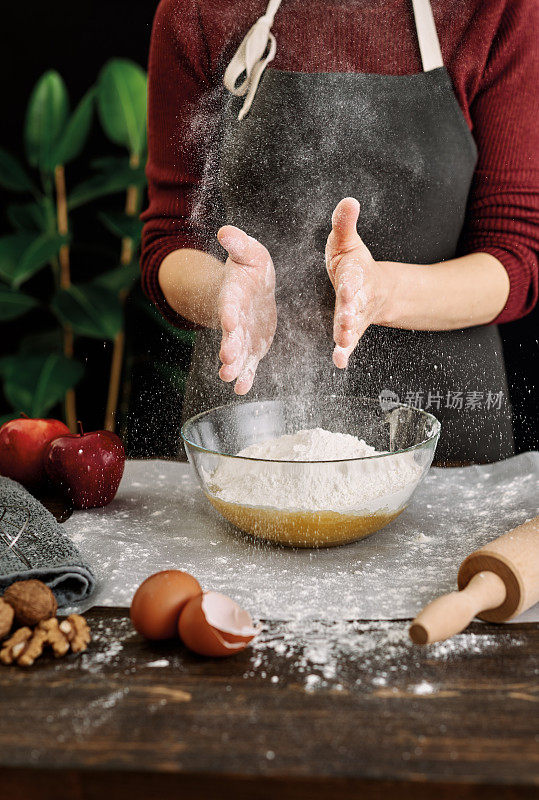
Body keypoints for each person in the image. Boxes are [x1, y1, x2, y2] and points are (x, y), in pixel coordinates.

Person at [141, 0, 538, 463]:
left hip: (448, 440)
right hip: (251, 439)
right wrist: (222, 293)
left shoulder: (494, 9)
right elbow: (168, 240)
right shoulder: (199, 9)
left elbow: (516, 253)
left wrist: (383, 292)